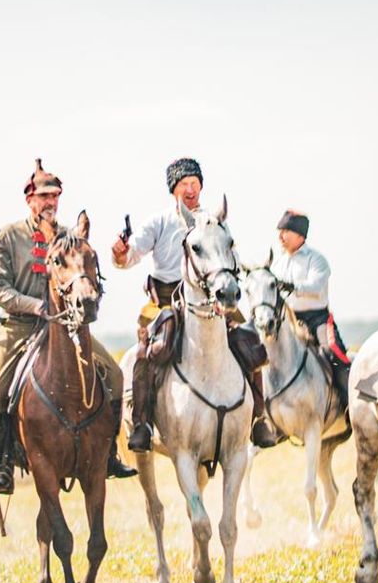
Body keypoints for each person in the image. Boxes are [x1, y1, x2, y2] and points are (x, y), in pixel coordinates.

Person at [0, 159, 137, 493]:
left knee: (113, 373)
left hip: (66, 325)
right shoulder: (8, 236)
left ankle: (109, 454)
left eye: (55, 196)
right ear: (30, 200)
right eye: (44, 196)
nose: (50, 203)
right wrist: (35, 305)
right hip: (21, 325)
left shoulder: (69, 236)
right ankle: (3, 464)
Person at [111, 157, 279, 453]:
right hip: (165, 302)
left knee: (248, 341)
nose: (190, 190)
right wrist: (120, 253)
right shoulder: (158, 222)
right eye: (184, 185)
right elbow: (129, 257)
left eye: (195, 184)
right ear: (173, 189)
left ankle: (257, 419)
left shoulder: (214, 222)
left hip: (209, 298)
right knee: (147, 352)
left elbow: (229, 257)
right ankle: (142, 424)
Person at [270, 210, 350, 414]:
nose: (280, 236)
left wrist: (292, 286)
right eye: (280, 231)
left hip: (317, 320)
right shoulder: (277, 262)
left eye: (285, 231)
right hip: (287, 320)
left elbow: (316, 286)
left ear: (300, 235)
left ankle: (349, 405)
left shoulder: (317, 259)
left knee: (332, 351)